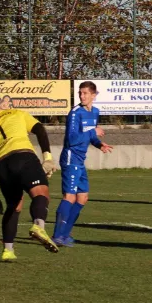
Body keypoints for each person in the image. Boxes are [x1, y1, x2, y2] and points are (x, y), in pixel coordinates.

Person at [0, 90, 59, 260]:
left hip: (1, 166)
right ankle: (38, 226)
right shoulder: (17, 113)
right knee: (40, 193)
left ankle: (8, 251)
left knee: (14, 206)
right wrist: (47, 157)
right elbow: (40, 130)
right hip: (23, 155)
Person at [52, 81, 113, 247]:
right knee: (70, 197)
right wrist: (93, 131)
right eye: (80, 93)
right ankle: (58, 235)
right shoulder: (75, 113)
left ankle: (65, 234)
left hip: (80, 160)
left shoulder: (94, 112)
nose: (82, 96)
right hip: (71, 158)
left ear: (94, 95)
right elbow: (72, 139)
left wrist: (100, 144)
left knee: (83, 197)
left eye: (85, 93)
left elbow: (90, 137)